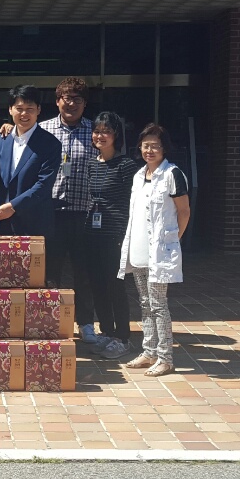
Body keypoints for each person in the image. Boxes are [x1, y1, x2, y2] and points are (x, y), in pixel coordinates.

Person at [118, 123, 192, 377]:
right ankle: (149, 351)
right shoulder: (139, 175)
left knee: (159, 304)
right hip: (139, 248)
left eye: (155, 146)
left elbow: (184, 212)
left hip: (160, 251)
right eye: (145, 146)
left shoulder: (173, 174)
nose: (149, 150)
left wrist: (174, 240)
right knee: (145, 302)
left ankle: (165, 358)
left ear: (164, 148)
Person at [39, 76, 99, 346]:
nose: (71, 104)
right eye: (67, 98)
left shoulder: (96, 131)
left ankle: (85, 323)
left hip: (84, 212)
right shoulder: (43, 130)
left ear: (84, 103)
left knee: (84, 272)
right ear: (57, 101)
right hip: (52, 213)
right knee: (50, 271)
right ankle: (49, 322)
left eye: (77, 99)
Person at [86, 111, 142, 360]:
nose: (100, 136)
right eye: (97, 131)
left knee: (115, 286)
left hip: (116, 234)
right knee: (97, 285)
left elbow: (135, 203)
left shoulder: (126, 165)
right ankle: (107, 332)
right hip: (93, 233)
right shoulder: (92, 163)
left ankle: (122, 337)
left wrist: (128, 234)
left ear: (116, 135)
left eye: (106, 132)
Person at [0, 84, 60, 237]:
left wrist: (13, 206)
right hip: (3, 223)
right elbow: (3, 176)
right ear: (10, 109)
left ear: (38, 110)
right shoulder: (3, 139)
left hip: (34, 224)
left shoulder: (50, 143)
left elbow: (44, 184)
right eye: (19, 108)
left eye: (30, 109)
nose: (24, 114)